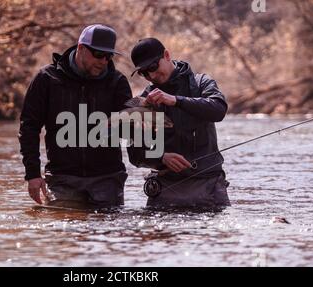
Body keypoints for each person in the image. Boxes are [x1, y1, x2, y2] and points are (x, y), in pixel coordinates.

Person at [19, 24, 132, 209]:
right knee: (65, 230)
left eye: (108, 56)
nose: (104, 61)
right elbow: (29, 127)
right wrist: (32, 174)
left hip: (108, 180)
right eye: (98, 54)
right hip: (62, 179)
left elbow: (129, 130)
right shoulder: (46, 79)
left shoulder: (117, 82)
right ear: (81, 48)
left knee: (107, 234)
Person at [127, 38, 230, 210]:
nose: (151, 76)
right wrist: (161, 157)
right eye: (144, 73)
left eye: (153, 67)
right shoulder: (144, 101)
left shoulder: (201, 83)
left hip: (208, 185)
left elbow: (219, 110)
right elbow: (135, 155)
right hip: (165, 187)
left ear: (166, 55)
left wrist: (176, 101)